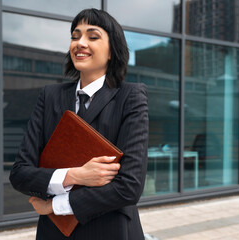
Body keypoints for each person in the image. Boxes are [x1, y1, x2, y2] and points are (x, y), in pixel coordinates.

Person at [9, 8, 148, 240]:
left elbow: (129, 187)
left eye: (92, 36)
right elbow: (20, 174)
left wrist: (54, 206)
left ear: (113, 50)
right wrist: (74, 176)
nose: (79, 43)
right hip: (54, 232)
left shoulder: (130, 97)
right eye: (75, 36)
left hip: (110, 229)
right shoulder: (50, 96)